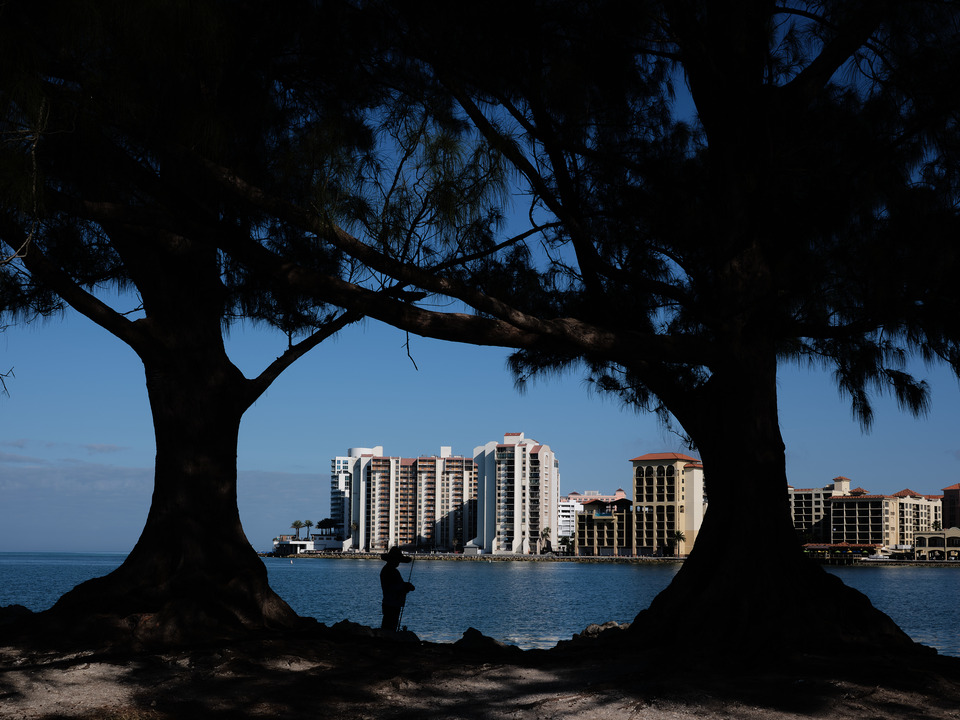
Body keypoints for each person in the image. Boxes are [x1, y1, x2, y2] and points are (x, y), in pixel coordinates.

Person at [379, 546, 415, 631]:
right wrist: (406, 587)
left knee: (389, 626)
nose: (398, 562)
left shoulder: (389, 570)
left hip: (391, 603)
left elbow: (398, 585)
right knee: (389, 626)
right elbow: (394, 587)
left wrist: (405, 586)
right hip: (391, 604)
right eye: (397, 560)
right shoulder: (390, 571)